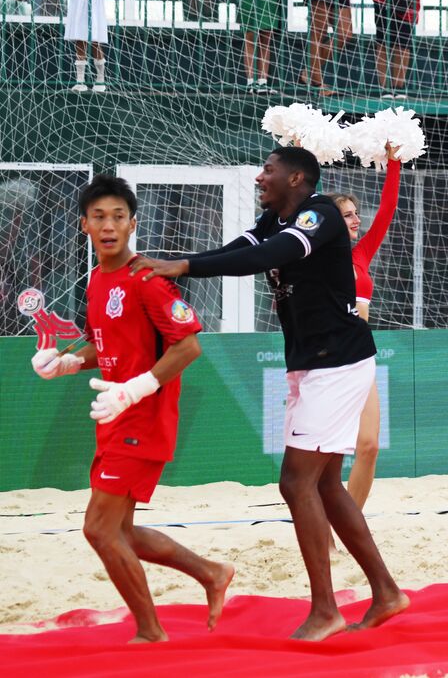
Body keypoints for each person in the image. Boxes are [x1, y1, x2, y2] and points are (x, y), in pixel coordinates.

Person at [129, 146, 408, 640]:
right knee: (322, 483)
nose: (260, 177)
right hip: (313, 362)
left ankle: (326, 610)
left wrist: (183, 267)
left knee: (295, 482)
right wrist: (175, 264)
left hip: (337, 361)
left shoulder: (318, 214)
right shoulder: (272, 218)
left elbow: (267, 257)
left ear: (296, 177)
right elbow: (237, 250)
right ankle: (386, 593)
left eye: (269, 170)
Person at [30, 176, 234, 643]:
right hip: (115, 415)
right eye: (99, 216)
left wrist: (137, 388)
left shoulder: (148, 280)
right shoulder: (99, 279)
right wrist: (65, 362)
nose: (108, 225)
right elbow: (104, 346)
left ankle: (150, 631)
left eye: (118, 216)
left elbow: (188, 348)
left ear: (133, 224)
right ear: (84, 225)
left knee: (99, 530)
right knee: (120, 530)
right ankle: (210, 572)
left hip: (143, 417)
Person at [326, 146, 402, 522]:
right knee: (325, 457)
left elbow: (387, 210)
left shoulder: (362, 255)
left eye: (356, 213)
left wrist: (394, 162)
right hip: (325, 358)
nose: (356, 219)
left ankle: (346, 526)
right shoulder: (314, 256)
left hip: (360, 355)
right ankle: (319, 529)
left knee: (369, 447)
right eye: (347, 215)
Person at [61, 0, 116, 93]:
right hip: (79, 4)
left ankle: (100, 79)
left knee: (96, 41)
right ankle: (80, 80)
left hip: (95, 5)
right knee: (80, 39)